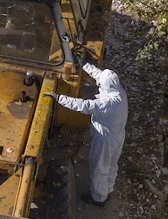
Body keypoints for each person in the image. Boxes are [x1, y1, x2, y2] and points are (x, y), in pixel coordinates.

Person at [44, 62, 128, 206]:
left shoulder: (108, 103)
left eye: (101, 85)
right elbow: (99, 75)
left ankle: (98, 198)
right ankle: (108, 189)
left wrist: (59, 98)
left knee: (99, 168)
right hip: (117, 136)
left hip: (105, 141)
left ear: (106, 86)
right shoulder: (118, 91)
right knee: (111, 165)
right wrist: (84, 64)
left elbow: (83, 105)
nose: (99, 85)